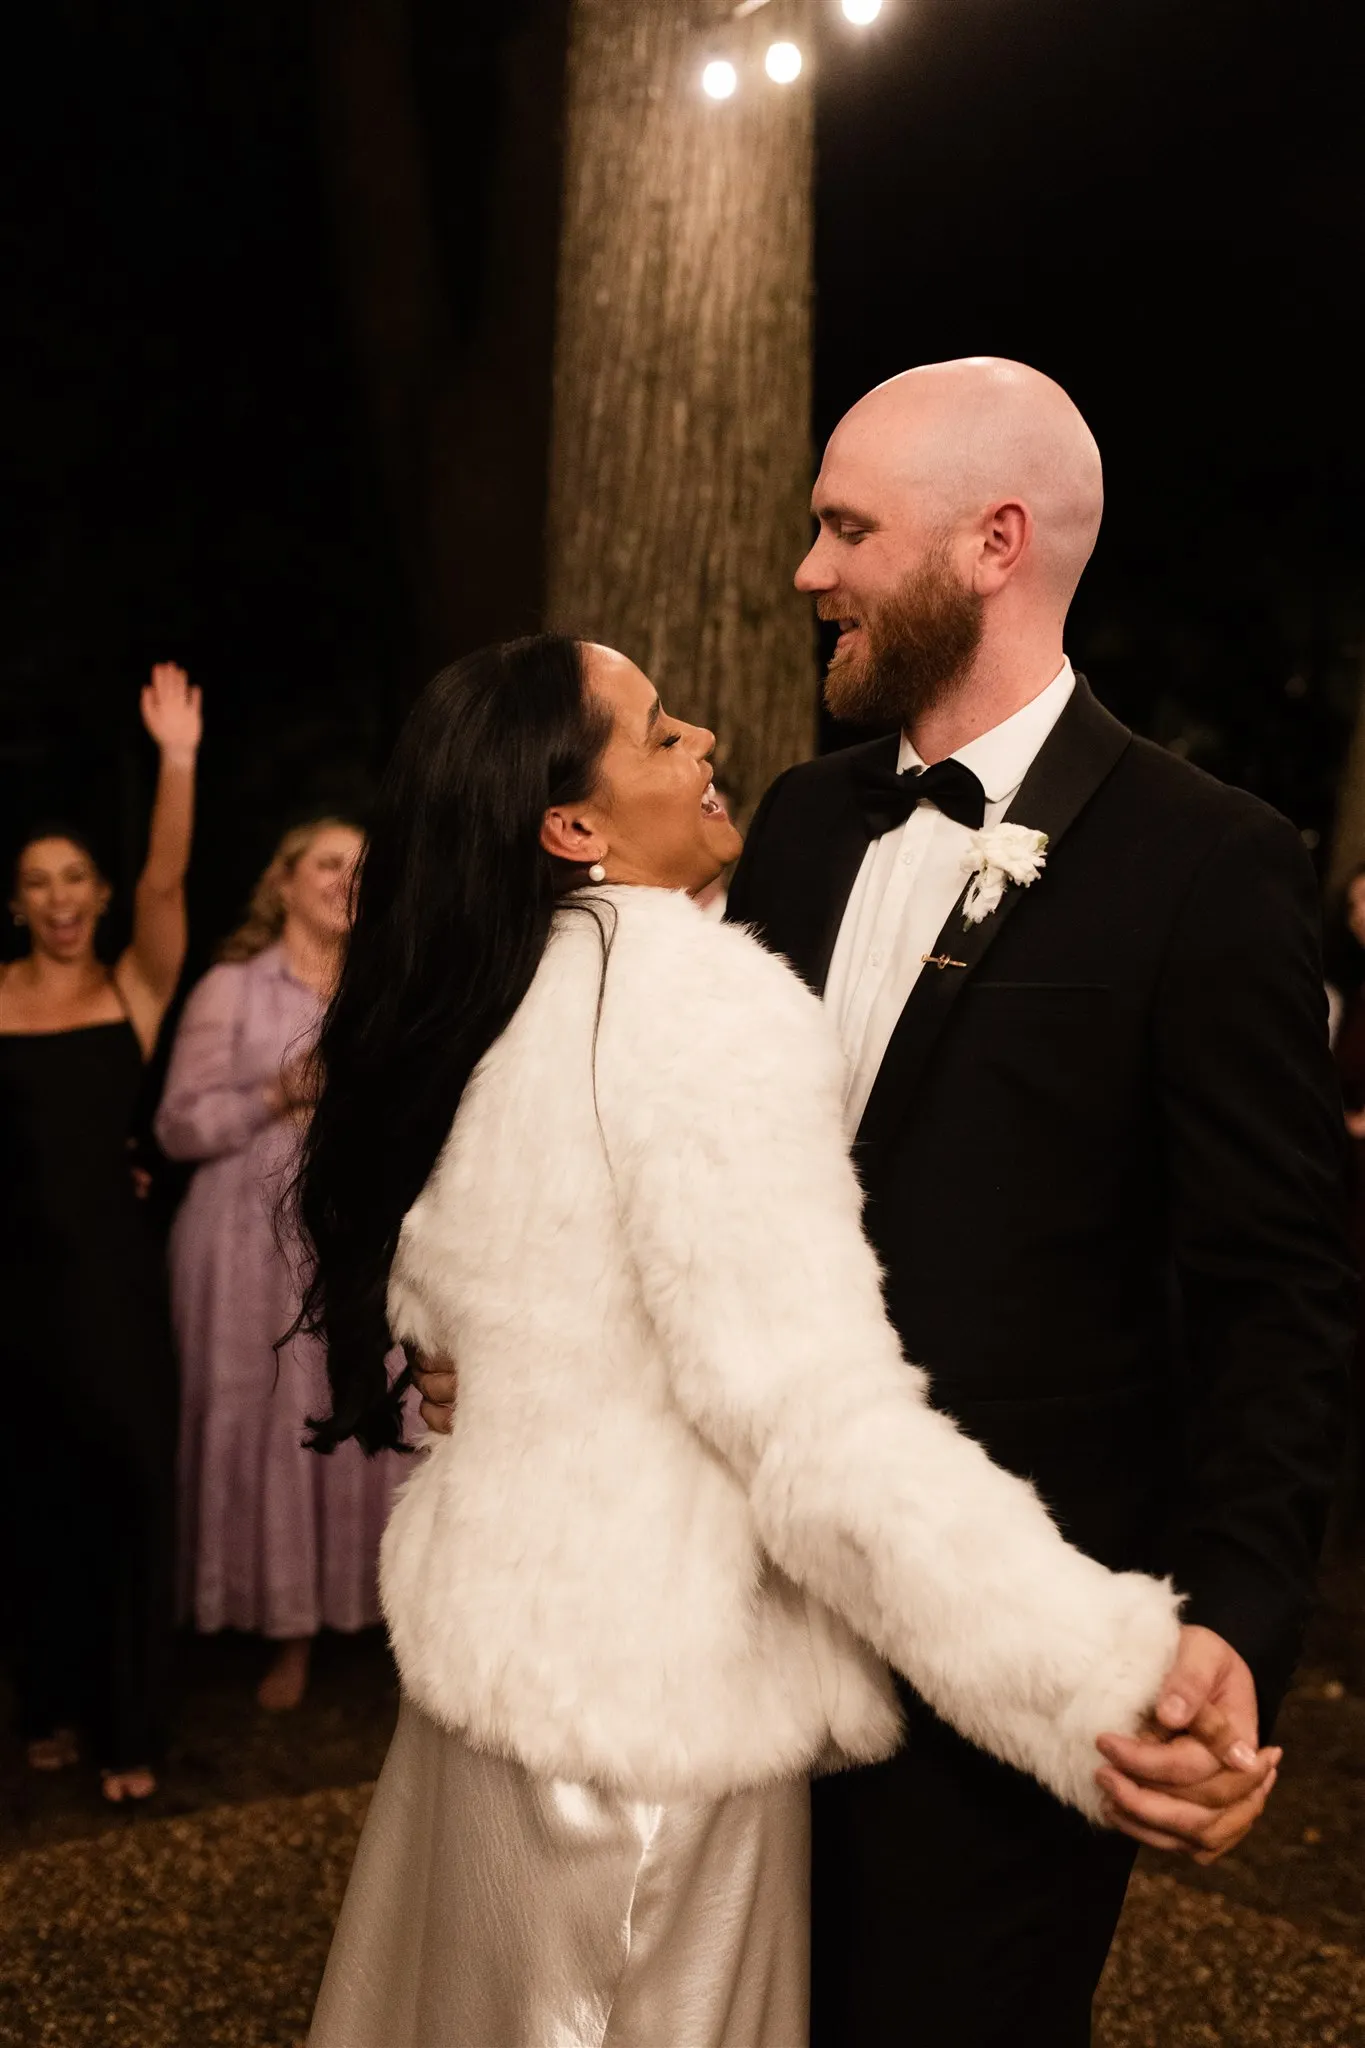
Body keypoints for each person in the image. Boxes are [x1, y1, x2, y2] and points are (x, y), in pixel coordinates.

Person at [297, 635, 1257, 2048]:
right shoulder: (699, 1006)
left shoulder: (488, 997)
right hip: (651, 1733)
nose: (700, 741)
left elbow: (466, 1318)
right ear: (570, 823)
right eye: (656, 728)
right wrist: (1099, 1681)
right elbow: (813, 1427)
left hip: (486, 1711)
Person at [721, 356, 1352, 2044]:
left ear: (994, 541)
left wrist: (1229, 1610)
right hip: (740, 1623)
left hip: (1001, 1645)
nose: (808, 572)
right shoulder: (793, 826)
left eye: (846, 528)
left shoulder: (1204, 860)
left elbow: (1275, 1284)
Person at [0, 662, 202, 1803]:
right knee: (35, 1497)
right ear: (17, 902)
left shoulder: (132, 988)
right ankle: (54, 1699)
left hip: (116, 1287)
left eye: (78, 877)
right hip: (14, 1294)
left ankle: (130, 1727)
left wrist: (176, 759)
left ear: (100, 893)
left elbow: (171, 881)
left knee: (127, 1486)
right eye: (40, 883)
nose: (63, 897)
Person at [155, 819, 408, 1713]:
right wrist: (277, 1092)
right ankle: (285, 1631)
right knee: (268, 1423)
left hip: (352, 1239)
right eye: (328, 864)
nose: (347, 880)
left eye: (361, 867)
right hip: (241, 1247)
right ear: (284, 881)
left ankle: (382, 1616)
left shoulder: (387, 985)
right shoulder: (232, 986)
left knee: (363, 1410)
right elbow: (178, 1125)